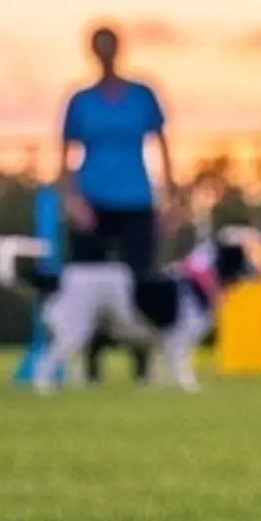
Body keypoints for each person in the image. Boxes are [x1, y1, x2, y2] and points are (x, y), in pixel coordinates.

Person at [58, 25, 176, 381]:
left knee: (139, 281)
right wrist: (72, 199)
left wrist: (171, 197)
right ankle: (91, 362)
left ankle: (142, 361)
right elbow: (64, 155)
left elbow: (162, 145)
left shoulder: (142, 95)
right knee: (88, 283)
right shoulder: (80, 101)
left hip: (136, 199)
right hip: (93, 202)